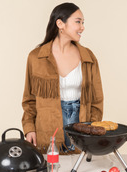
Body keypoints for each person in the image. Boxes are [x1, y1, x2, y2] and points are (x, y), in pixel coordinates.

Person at [22, 2, 103, 154]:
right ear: (60, 23)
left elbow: (97, 100)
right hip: (47, 127)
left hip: (81, 125)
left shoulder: (88, 57)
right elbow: (29, 99)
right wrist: (29, 129)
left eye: (83, 22)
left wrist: (93, 128)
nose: (82, 27)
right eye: (78, 21)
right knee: (52, 170)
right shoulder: (36, 57)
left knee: (79, 170)